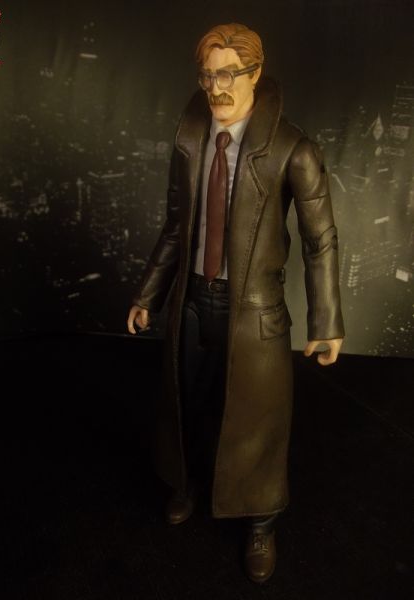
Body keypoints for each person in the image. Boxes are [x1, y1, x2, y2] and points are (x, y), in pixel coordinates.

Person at [127, 23, 345, 584]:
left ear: (255, 73)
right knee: (185, 399)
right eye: (207, 75)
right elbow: (176, 225)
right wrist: (150, 293)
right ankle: (186, 481)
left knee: (257, 419)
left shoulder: (293, 148)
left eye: (228, 74)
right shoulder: (192, 138)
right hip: (192, 300)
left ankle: (261, 520)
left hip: (255, 313)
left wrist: (326, 320)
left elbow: (320, 240)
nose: (215, 88)